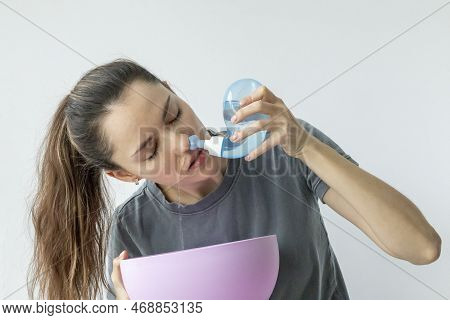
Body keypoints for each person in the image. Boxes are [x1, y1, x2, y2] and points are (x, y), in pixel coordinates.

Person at [27, 58, 441, 300]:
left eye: (173, 114)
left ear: (175, 91)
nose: (182, 140)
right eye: (150, 150)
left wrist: (306, 145)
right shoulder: (136, 230)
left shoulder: (279, 148)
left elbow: (421, 247)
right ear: (125, 173)